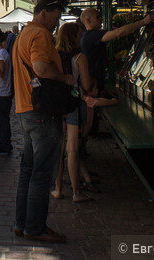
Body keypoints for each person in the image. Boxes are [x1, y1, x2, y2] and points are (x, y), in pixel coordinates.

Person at [12, 0, 73, 243]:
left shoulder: (22, 35)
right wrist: (64, 78)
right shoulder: (39, 35)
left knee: (28, 170)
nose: (57, 24)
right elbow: (39, 67)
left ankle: (22, 223)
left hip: (25, 110)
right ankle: (35, 228)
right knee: (41, 173)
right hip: (41, 113)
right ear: (44, 14)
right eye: (56, 18)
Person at [51, 22, 107, 203]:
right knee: (72, 149)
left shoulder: (54, 54)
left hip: (58, 104)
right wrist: (95, 85)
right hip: (75, 104)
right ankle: (76, 193)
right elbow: (86, 85)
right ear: (74, 36)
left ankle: (58, 189)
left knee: (59, 149)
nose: (82, 36)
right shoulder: (80, 57)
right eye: (80, 33)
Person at [80, 8, 154, 93]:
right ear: (88, 20)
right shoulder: (91, 36)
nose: (101, 19)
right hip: (94, 85)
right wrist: (143, 22)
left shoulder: (87, 36)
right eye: (97, 17)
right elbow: (118, 33)